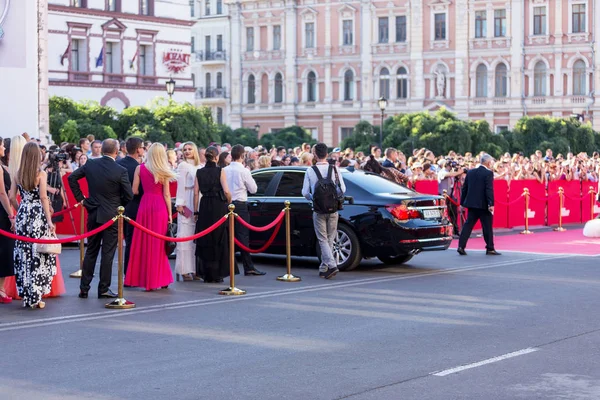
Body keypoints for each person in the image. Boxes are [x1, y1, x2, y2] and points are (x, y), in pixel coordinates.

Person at [69, 139, 133, 299]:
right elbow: (129, 195)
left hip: (93, 212)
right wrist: (118, 206)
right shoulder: (120, 170)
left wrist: (82, 199)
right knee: (108, 253)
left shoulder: (91, 164)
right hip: (111, 215)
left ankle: (84, 288)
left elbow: (72, 178)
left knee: (91, 250)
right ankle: (103, 288)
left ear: (102, 149)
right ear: (116, 152)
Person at [9, 142, 57, 309]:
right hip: (37, 216)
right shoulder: (41, 174)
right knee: (38, 253)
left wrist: (20, 210)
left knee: (24, 253)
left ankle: (26, 293)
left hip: (23, 214)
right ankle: (36, 294)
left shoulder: (17, 174)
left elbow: (11, 197)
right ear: (37, 156)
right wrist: (49, 220)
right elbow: (44, 198)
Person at [124, 144, 175, 291]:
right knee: (159, 244)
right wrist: (170, 214)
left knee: (144, 243)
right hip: (159, 207)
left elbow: (134, 190)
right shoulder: (163, 171)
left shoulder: (140, 168)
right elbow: (166, 195)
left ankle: (146, 279)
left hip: (145, 206)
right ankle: (161, 279)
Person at [301, 143, 346, 279]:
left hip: (319, 209)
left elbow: (304, 192)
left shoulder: (310, 171)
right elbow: (342, 189)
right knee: (330, 238)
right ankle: (324, 267)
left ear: (314, 154)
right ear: (327, 154)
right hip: (333, 208)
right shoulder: (335, 169)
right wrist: (334, 197)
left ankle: (331, 265)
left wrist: (313, 198)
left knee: (322, 239)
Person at [224, 144, 265, 276]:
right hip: (240, 205)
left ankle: (229, 265)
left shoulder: (224, 170)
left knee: (228, 236)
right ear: (242, 156)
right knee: (242, 236)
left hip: (227, 204)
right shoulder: (244, 171)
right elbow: (254, 189)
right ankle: (248, 266)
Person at [193, 146, 232, 283]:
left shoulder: (199, 172)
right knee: (218, 237)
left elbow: (196, 193)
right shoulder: (220, 171)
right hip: (218, 205)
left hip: (204, 206)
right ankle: (218, 273)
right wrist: (229, 200)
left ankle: (207, 273)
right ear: (216, 157)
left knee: (206, 237)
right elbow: (226, 190)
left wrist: (196, 211)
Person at [457, 154, 501, 256]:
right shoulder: (488, 173)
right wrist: (491, 203)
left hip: (472, 204)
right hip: (484, 205)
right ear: (488, 162)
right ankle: (490, 248)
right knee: (487, 227)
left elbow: (465, 188)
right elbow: (489, 189)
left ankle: (461, 246)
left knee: (468, 225)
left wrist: (462, 202)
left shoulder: (470, 172)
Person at [175, 142, 202, 281]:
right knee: (184, 237)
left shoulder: (198, 166)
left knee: (195, 238)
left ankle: (195, 269)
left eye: (190, 149)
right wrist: (179, 204)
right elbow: (180, 186)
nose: (187, 151)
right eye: (184, 149)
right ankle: (183, 270)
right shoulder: (182, 165)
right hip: (186, 199)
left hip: (197, 201)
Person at [117, 137, 144, 274]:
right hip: (135, 207)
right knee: (133, 242)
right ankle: (131, 273)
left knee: (128, 242)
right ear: (138, 149)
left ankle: (128, 273)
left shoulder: (119, 164)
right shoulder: (138, 168)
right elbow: (140, 190)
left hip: (119, 206)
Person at [0, 137, 15, 303]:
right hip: (2, 213)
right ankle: (1, 289)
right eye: (2, 145)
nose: (4, 148)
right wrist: (11, 215)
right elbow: (3, 193)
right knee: (4, 251)